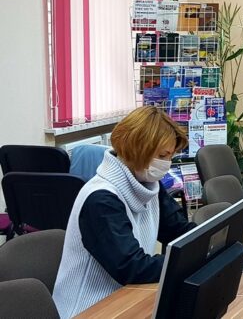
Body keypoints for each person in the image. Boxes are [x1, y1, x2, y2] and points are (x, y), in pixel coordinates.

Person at [53, 106, 196, 317]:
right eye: (162, 156)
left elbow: (179, 230)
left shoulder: (148, 184)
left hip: (127, 298)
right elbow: (132, 267)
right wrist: (192, 259)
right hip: (89, 309)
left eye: (170, 156)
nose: (166, 164)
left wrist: (214, 243)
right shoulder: (100, 199)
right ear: (137, 150)